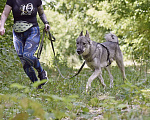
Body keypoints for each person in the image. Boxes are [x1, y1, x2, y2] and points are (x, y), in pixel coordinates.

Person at [0, 0, 50, 89]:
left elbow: (41, 13)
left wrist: (46, 23)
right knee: (24, 61)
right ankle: (37, 85)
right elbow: (4, 14)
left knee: (27, 56)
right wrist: (2, 26)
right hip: (17, 33)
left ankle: (41, 72)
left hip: (32, 31)